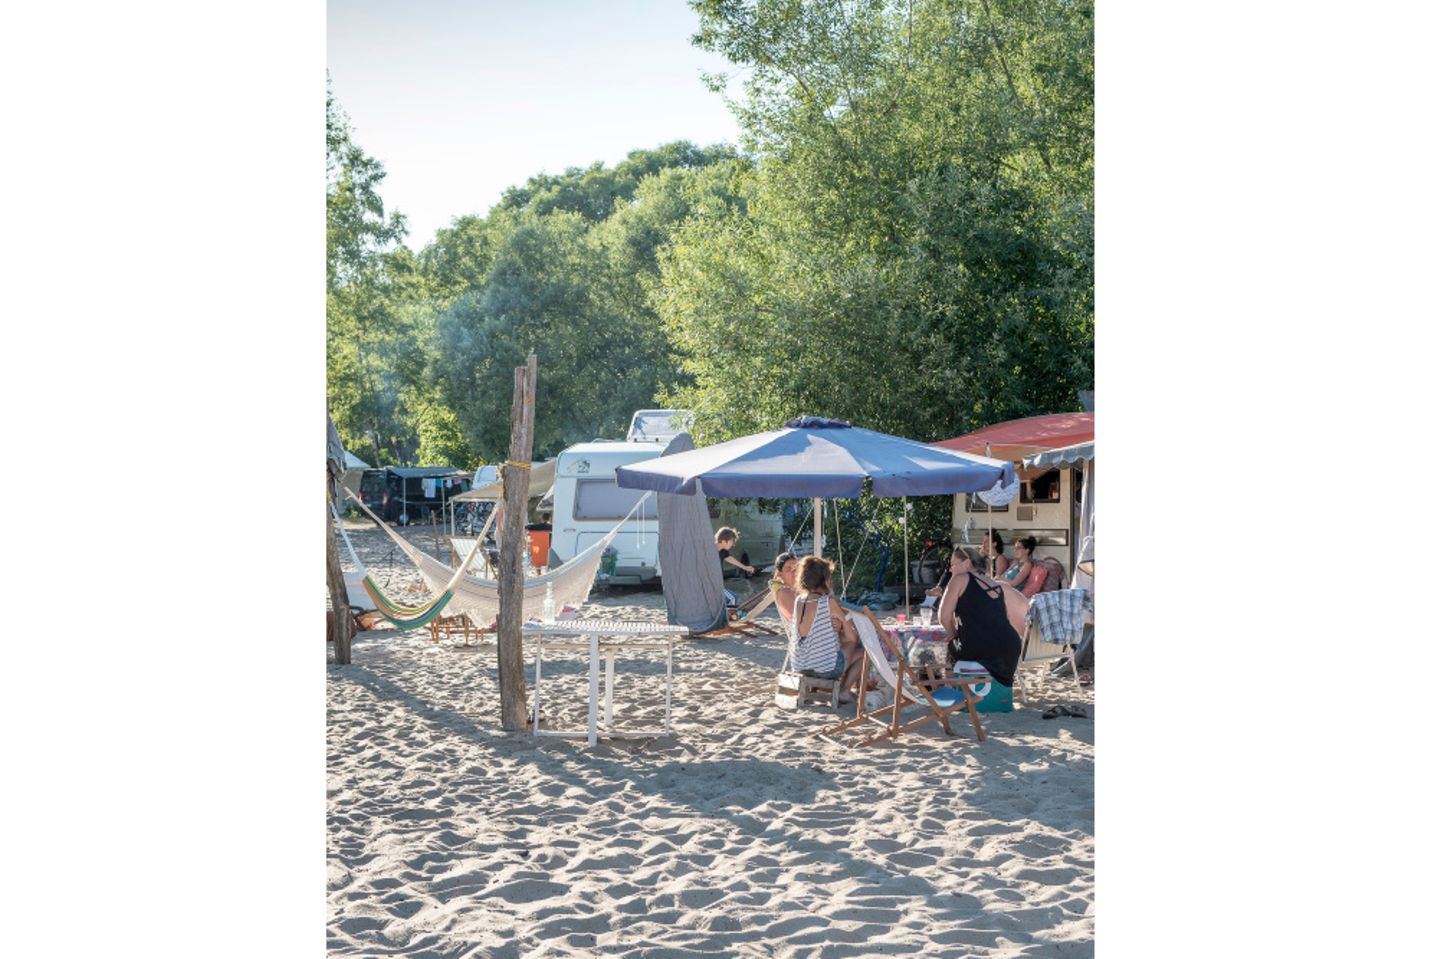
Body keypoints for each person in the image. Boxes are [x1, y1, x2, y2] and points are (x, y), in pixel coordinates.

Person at [938, 547, 1022, 689]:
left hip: (980, 645)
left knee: (950, 649)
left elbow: (943, 617)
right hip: (1010, 647)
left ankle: (954, 693)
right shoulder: (996, 584)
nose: (951, 570)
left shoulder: (960, 579)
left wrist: (954, 635)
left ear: (967, 563)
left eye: (953, 564)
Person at [790, 556, 865, 703]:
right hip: (825, 669)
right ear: (825, 579)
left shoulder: (799, 600)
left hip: (799, 666)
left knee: (839, 645)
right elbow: (852, 638)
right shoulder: (828, 602)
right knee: (861, 651)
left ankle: (833, 688)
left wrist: (837, 629)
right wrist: (843, 626)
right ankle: (844, 691)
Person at [771, 552, 800, 628]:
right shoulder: (784, 592)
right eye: (789, 568)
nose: (794, 571)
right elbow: (797, 620)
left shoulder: (796, 590)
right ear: (780, 574)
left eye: (796, 567)